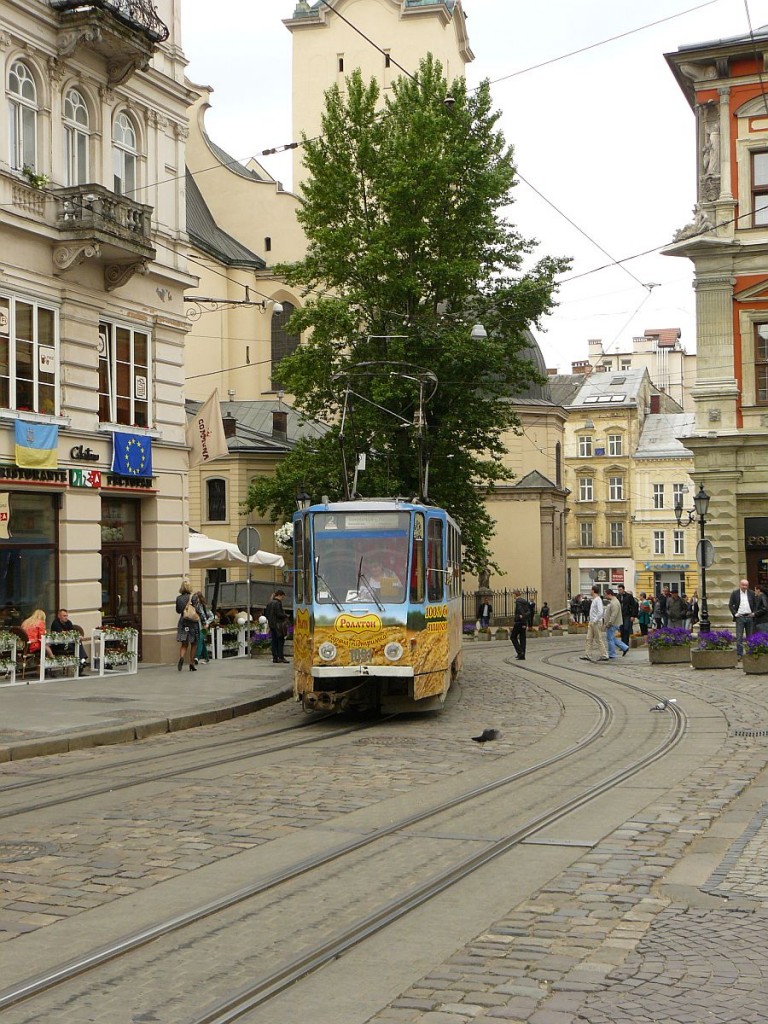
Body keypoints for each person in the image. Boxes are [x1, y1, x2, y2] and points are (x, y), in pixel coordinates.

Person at [50, 608, 88, 675]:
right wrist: (74, 635)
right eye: (64, 616)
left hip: (68, 643)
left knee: (78, 644)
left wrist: (78, 636)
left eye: (66, 616)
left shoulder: (68, 622)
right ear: (59, 616)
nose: (66, 617)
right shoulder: (55, 623)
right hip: (58, 645)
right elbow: (62, 634)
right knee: (77, 646)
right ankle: (82, 662)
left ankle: (81, 663)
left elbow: (73, 632)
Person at [175, 582, 201, 672]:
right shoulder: (194, 597)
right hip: (192, 623)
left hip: (183, 622)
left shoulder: (178, 598)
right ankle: (191, 663)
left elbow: (178, 611)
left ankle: (181, 657)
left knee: (184, 644)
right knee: (193, 643)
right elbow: (198, 609)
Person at [580, 586, 609, 663]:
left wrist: (595, 620)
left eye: (591, 590)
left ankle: (604, 655)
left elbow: (600, 611)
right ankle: (587, 654)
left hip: (596, 622)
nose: (590, 591)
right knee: (588, 638)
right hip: (592, 622)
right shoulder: (594, 600)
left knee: (598, 639)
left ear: (593, 591)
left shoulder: (598, 600)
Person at [729, 578, 756, 657]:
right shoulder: (735, 593)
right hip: (740, 617)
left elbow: (755, 604)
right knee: (739, 637)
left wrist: (754, 613)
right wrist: (735, 614)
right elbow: (730, 605)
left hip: (749, 617)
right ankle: (739, 654)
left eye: (746, 585)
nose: (744, 587)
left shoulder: (751, 593)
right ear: (740, 585)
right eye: (743, 585)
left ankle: (750, 653)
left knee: (750, 636)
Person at [265, 588, 289, 664]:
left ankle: (275, 657)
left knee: (274, 641)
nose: (283, 599)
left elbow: (266, 614)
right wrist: (285, 615)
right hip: (278, 625)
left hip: (272, 624)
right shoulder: (278, 603)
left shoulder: (269, 603)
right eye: (282, 597)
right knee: (280, 641)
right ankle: (280, 657)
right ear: (279, 596)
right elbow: (279, 614)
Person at [603, 588, 629, 659]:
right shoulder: (614, 601)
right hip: (614, 623)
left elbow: (614, 614)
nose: (605, 596)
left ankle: (612, 654)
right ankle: (625, 647)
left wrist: (609, 623)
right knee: (612, 638)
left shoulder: (614, 602)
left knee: (610, 639)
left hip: (612, 623)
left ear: (609, 594)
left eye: (606, 595)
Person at [194, 592, 214, 664]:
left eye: (196, 598)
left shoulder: (204, 606)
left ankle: (197, 657)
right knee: (201, 641)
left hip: (204, 627)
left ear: (200, 598)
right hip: (197, 626)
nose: (195, 599)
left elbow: (212, 616)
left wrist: (207, 623)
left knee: (199, 639)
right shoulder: (194, 606)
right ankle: (206, 658)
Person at [510, 589, 529, 661]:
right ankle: (522, 654)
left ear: (515, 594)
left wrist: (522, 619)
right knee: (522, 638)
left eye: (513, 595)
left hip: (519, 622)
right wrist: (525, 622)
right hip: (524, 622)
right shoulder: (524, 601)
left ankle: (520, 651)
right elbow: (528, 612)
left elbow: (521, 612)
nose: (513, 596)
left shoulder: (518, 602)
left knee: (513, 637)